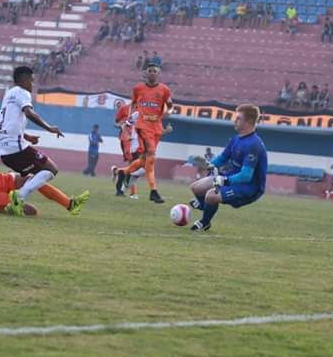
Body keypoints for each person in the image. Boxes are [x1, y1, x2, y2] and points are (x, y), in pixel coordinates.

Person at [0, 66, 89, 216]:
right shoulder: (22, 93)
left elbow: (7, 122)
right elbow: (29, 113)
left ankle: (70, 204)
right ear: (24, 80)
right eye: (31, 81)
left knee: (37, 178)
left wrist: (25, 136)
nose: (32, 85)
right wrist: (49, 128)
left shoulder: (9, 94)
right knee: (51, 169)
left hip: (4, 150)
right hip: (15, 148)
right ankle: (19, 198)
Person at [186, 104, 268, 232]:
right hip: (230, 178)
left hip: (249, 187)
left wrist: (224, 180)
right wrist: (209, 164)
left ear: (249, 122)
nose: (234, 120)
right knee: (196, 187)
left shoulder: (254, 144)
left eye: (238, 118)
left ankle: (204, 222)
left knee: (211, 195)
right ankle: (204, 206)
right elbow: (222, 158)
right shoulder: (235, 139)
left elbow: (246, 176)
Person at [114, 61, 173, 203]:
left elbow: (170, 105)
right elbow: (133, 105)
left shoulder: (164, 90)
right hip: (143, 127)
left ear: (158, 73)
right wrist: (131, 117)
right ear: (146, 73)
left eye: (155, 71)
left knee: (143, 161)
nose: (152, 73)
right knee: (151, 158)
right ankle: (153, 191)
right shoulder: (138, 89)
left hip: (157, 127)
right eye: (150, 70)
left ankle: (123, 172)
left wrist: (168, 112)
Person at [112, 99, 146, 199]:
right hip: (126, 140)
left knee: (137, 167)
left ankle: (117, 171)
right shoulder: (124, 109)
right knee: (134, 166)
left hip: (137, 141)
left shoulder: (142, 110)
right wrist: (121, 126)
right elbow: (116, 122)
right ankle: (130, 192)